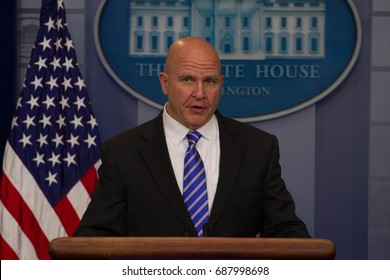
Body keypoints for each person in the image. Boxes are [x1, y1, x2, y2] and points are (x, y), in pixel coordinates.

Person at [73, 36, 310, 238]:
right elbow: (96, 237)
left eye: (209, 81)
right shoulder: (122, 152)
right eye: (187, 79)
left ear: (221, 84)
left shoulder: (258, 148)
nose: (199, 93)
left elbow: (285, 230)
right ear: (165, 83)